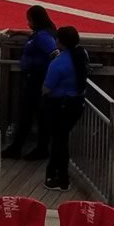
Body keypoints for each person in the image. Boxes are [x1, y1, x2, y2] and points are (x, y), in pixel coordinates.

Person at [4, 6, 58, 159]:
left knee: (30, 116)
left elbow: (54, 53)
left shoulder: (42, 37)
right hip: (36, 81)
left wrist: (49, 79)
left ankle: (22, 148)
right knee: (35, 116)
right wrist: (18, 32)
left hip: (37, 82)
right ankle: (27, 147)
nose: (28, 23)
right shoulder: (42, 33)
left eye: (29, 20)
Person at [41, 26, 89, 191]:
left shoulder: (58, 63)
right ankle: (58, 176)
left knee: (59, 142)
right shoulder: (82, 55)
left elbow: (46, 88)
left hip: (59, 106)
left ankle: (60, 178)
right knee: (61, 140)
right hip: (76, 104)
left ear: (60, 42)